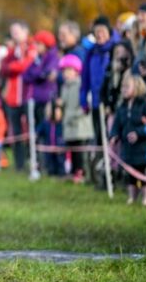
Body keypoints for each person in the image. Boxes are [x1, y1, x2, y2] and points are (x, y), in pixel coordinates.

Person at [109, 74, 146, 206]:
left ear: (137, 87)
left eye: (127, 86)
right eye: (123, 87)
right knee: (130, 174)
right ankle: (132, 197)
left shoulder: (144, 105)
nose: (124, 89)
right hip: (127, 147)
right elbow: (117, 124)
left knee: (141, 172)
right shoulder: (122, 107)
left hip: (141, 147)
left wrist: (139, 134)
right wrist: (114, 135)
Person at [1, 20, 37, 171]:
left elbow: (27, 65)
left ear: (25, 31)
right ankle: (19, 164)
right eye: (12, 33)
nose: (13, 35)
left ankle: (34, 161)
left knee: (31, 130)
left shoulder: (32, 47)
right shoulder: (12, 50)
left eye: (16, 32)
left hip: (28, 95)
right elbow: (3, 68)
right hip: (13, 97)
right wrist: (13, 66)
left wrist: (13, 67)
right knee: (15, 132)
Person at [82, 16, 119, 146]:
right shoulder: (91, 52)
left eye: (102, 31)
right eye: (96, 31)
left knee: (111, 134)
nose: (99, 34)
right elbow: (85, 77)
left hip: (111, 101)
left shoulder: (116, 49)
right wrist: (83, 100)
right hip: (96, 101)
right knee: (98, 135)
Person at [59, 54, 93, 183]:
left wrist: (73, 116)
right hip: (69, 124)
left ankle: (82, 173)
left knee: (80, 152)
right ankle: (73, 172)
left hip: (80, 125)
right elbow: (65, 104)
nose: (66, 74)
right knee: (71, 150)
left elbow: (84, 106)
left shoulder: (81, 85)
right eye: (64, 71)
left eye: (69, 70)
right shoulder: (65, 86)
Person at [23, 30, 59, 128]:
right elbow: (25, 75)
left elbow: (46, 73)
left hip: (47, 98)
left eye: (38, 44)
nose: (36, 46)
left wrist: (37, 74)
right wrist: (38, 74)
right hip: (37, 98)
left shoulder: (53, 57)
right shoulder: (38, 58)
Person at [36, 101, 65, 177]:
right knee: (50, 164)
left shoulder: (61, 124)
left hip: (59, 148)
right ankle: (51, 173)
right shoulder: (45, 123)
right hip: (48, 148)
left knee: (60, 162)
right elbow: (38, 130)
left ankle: (61, 174)